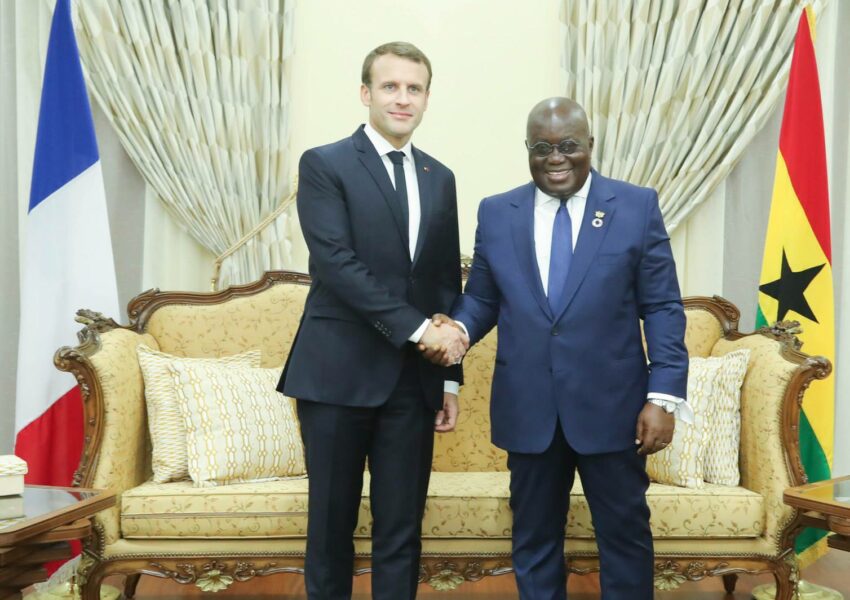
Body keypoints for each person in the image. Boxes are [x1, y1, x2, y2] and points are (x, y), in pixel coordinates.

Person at [422, 97, 690, 599]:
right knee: (534, 539)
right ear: (527, 149)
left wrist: (664, 396)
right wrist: (457, 330)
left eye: (568, 145)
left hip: (614, 408)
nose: (556, 158)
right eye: (541, 148)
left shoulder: (635, 207)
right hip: (530, 407)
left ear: (590, 144)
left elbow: (662, 307)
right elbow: (482, 299)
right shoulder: (498, 212)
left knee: (625, 538)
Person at [278, 41, 468, 600]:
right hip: (335, 377)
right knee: (330, 527)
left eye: (414, 88)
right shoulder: (324, 163)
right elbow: (337, 265)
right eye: (390, 86)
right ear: (366, 93)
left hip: (413, 381)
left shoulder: (440, 176)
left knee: (402, 530)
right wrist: (421, 330)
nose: (402, 98)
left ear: (427, 98)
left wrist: (449, 377)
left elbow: (442, 282)